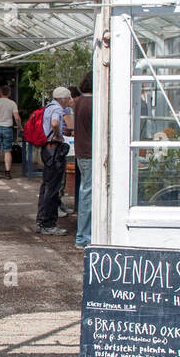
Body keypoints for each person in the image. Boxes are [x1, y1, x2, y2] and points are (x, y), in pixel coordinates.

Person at [36, 86, 72, 236]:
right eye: (68, 98)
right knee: (52, 188)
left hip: (47, 149)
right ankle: (48, 223)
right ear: (63, 99)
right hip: (54, 150)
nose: (69, 101)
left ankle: (42, 220)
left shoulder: (48, 107)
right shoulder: (57, 109)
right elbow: (55, 123)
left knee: (46, 186)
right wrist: (57, 135)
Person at [74, 73, 94, 249]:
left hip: (81, 151)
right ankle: (84, 236)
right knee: (88, 193)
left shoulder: (77, 101)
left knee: (85, 191)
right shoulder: (93, 103)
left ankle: (83, 235)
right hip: (90, 151)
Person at [0, 85, 21, 179]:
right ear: (9, 93)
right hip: (8, 128)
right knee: (7, 151)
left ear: (0, 93)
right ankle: (7, 173)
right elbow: (17, 117)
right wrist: (19, 127)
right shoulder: (12, 103)